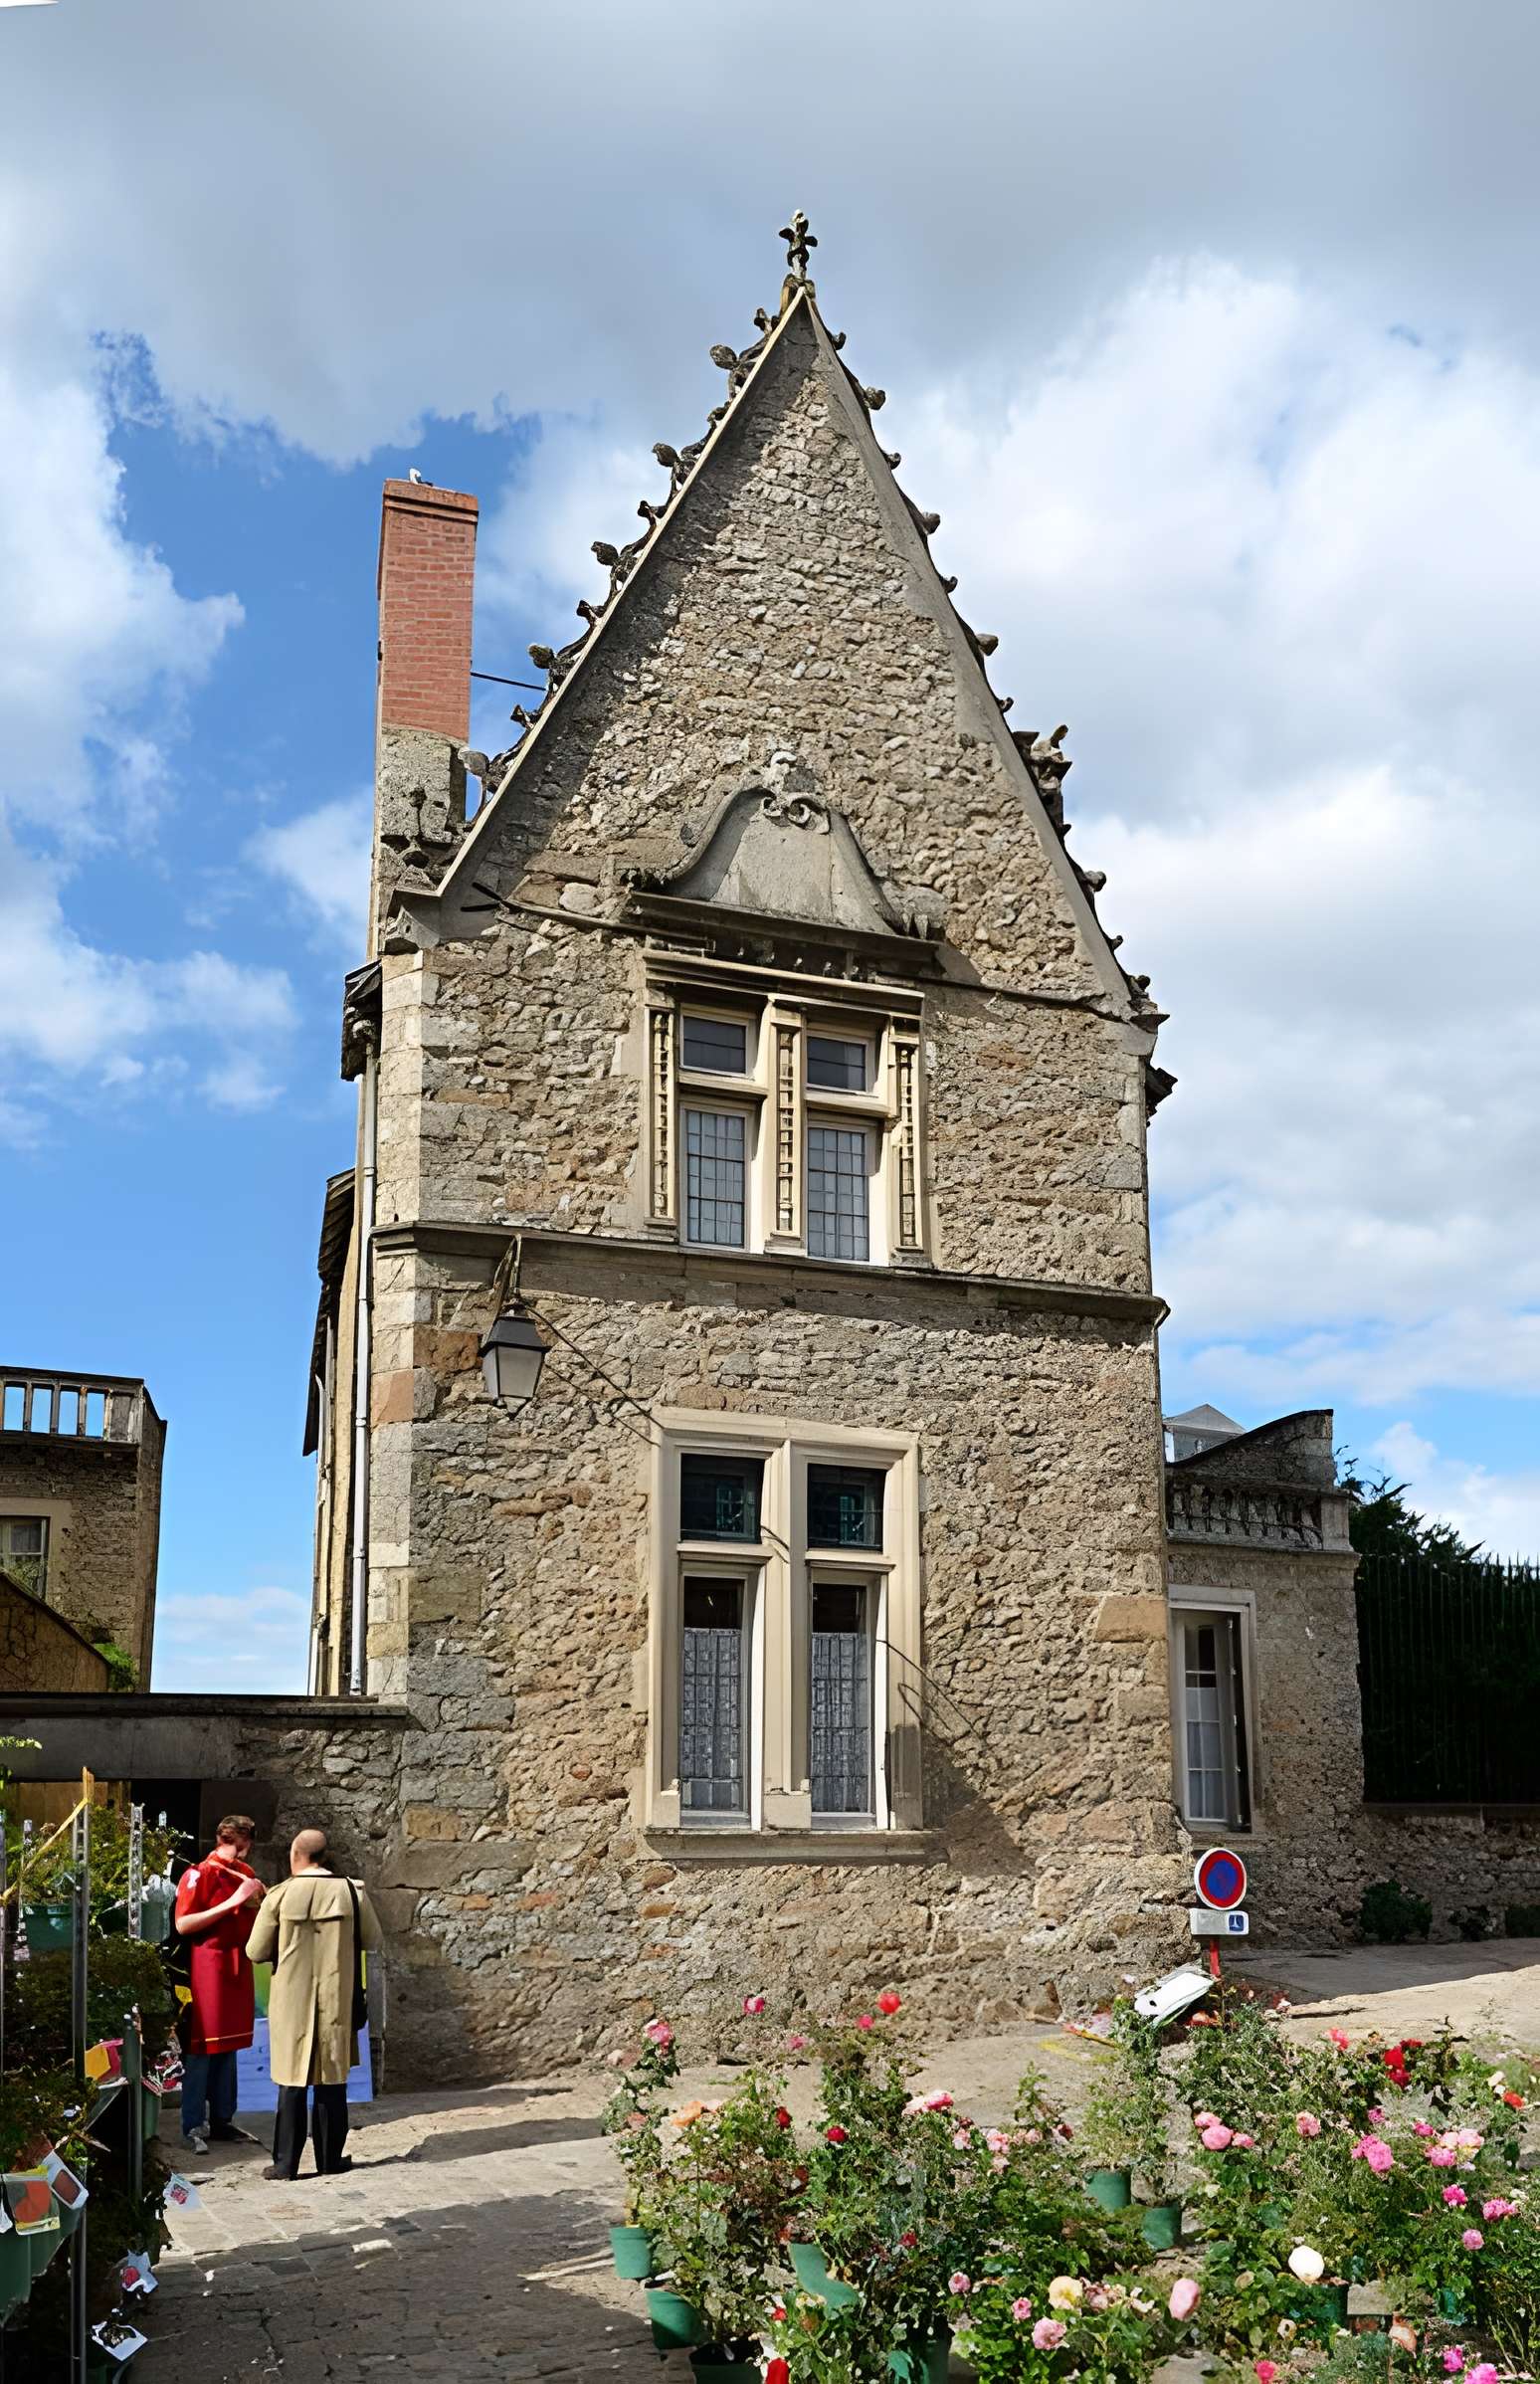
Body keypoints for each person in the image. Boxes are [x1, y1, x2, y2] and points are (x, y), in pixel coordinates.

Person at [246, 1827, 383, 2181]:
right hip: (336, 1997)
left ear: (296, 1856)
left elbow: (255, 1951)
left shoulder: (278, 1896)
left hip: (291, 2001)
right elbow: (373, 1939)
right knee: (332, 2081)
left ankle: (285, 2164)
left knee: (291, 2083)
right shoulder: (353, 1893)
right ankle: (330, 2160)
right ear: (325, 1857)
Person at [173, 1813, 264, 2154]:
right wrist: (233, 1902)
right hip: (208, 1966)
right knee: (202, 2046)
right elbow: (184, 1924)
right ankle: (194, 2123)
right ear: (243, 1842)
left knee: (228, 2046)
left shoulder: (246, 1874)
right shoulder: (199, 1874)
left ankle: (223, 2119)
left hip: (238, 1965)